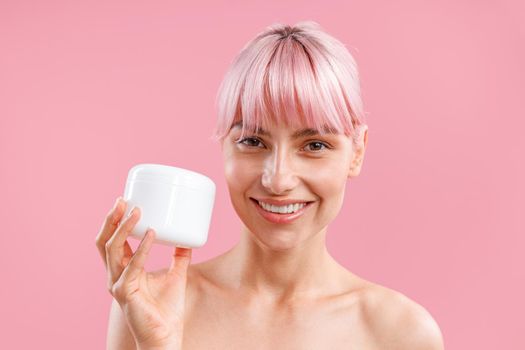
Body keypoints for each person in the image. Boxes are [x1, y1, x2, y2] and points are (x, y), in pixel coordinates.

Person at [95, 21, 445, 350]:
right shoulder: (149, 305)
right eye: (252, 141)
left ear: (357, 152)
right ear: (223, 146)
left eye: (314, 145)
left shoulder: (400, 332)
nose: (278, 180)